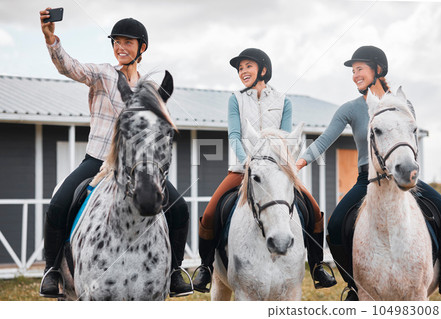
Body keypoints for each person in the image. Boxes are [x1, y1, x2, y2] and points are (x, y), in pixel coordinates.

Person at [39, 9, 192, 298]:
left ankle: (174, 272)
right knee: (59, 203)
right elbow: (69, 67)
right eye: (116, 42)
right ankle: (52, 270)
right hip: (98, 161)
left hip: (137, 165)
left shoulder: (151, 89)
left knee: (180, 209)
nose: (121, 48)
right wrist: (51, 40)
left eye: (128, 43)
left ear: (141, 48)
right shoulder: (102, 73)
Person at [296, 45, 441, 301]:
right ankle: (355, 286)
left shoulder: (403, 104)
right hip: (368, 178)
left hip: (403, 174)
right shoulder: (351, 109)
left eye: (360, 69)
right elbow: (325, 140)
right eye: (353, 71)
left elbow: (409, 139)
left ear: (378, 69)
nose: (355, 75)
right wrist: (299, 162)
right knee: (335, 227)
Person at [192, 48, 337, 293]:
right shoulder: (235, 99)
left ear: (263, 69)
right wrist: (249, 163)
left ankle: (317, 266)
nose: (242, 72)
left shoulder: (283, 101)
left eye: (247, 66)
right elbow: (235, 136)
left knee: (313, 211)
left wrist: (278, 164)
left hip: (278, 171)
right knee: (209, 215)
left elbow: (284, 140)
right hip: (242, 169)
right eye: (240, 69)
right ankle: (206, 268)